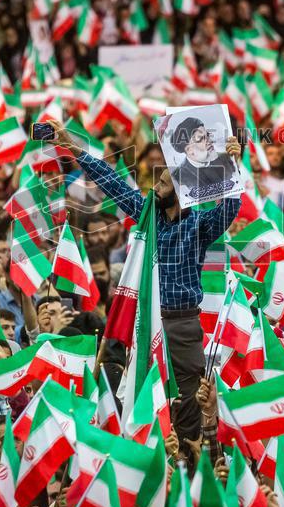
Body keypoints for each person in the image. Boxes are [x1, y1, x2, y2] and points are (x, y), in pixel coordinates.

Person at [45, 118, 241, 442]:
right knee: (143, 401)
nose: (154, 189)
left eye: (162, 184)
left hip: (182, 328)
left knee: (189, 402)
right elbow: (112, 181)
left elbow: (230, 207)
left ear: (181, 193)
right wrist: (72, 146)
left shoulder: (200, 227)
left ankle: (189, 464)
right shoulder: (147, 212)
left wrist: (233, 165)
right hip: (145, 324)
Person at [166, 116, 239, 201]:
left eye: (207, 135)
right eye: (201, 139)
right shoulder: (179, 178)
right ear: (189, 150)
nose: (210, 141)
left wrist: (237, 160)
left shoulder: (226, 159)